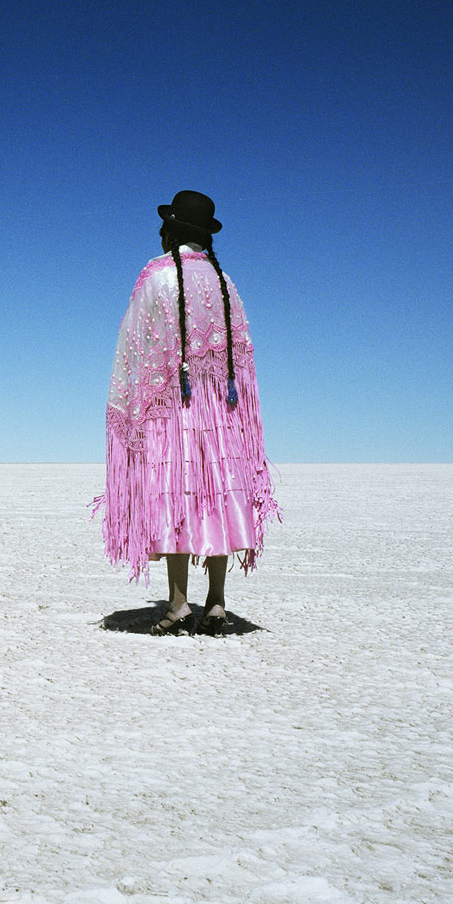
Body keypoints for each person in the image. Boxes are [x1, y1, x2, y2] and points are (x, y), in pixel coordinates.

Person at [95, 191, 279, 636]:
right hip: (220, 415)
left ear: (170, 230)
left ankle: (178, 605)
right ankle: (216, 604)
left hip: (170, 412)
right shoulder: (224, 282)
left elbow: (135, 345)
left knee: (174, 495)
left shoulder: (156, 276)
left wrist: (132, 407)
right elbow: (242, 360)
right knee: (219, 493)